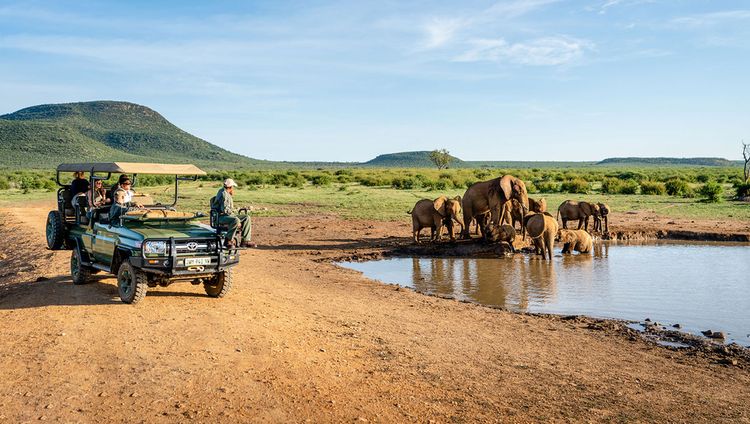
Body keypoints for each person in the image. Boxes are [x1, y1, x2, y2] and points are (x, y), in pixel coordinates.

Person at [212, 178, 254, 248]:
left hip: (225, 216)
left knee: (247, 217)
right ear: (230, 187)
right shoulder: (224, 194)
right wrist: (236, 217)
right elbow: (225, 211)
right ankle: (228, 240)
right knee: (236, 220)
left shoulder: (226, 192)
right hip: (220, 217)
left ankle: (245, 241)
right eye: (232, 187)